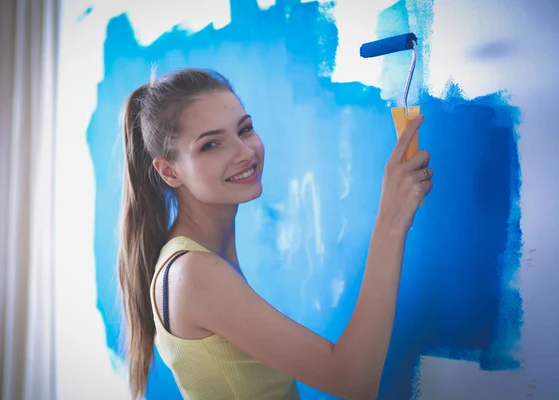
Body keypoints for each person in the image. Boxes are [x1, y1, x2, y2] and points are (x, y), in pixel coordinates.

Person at [117, 68, 433, 400]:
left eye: (245, 129)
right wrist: (391, 221)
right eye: (210, 144)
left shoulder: (194, 260)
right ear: (169, 171)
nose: (244, 152)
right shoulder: (193, 273)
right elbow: (353, 378)